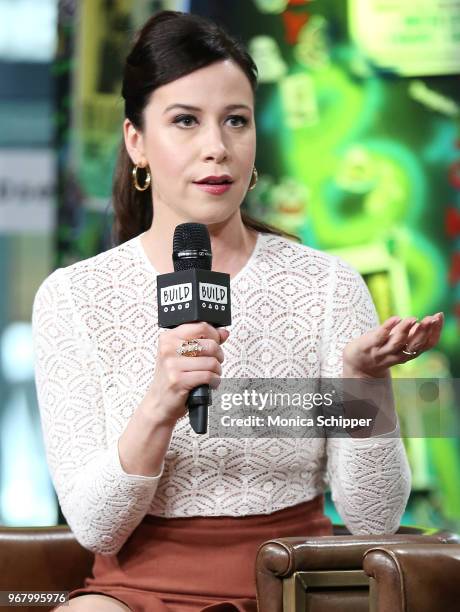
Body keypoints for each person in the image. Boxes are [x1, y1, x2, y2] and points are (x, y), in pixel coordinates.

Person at [32, 10, 443, 612]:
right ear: (136, 142)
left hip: (295, 586)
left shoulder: (327, 285)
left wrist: (363, 385)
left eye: (236, 121)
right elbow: (95, 529)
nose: (216, 148)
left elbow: (374, 518)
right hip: (135, 592)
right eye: (184, 121)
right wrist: (159, 403)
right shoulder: (73, 298)